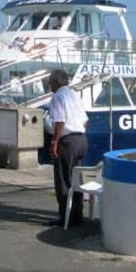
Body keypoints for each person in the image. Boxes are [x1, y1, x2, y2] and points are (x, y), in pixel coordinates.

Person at [47, 69, 88, 227]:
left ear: (56, 82)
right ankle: (77, 214)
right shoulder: (74, 95)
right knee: (75, 179)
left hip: (67, 141)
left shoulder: (58, 96)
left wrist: (54, 142)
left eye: (50, 81)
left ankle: (65, 217)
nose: (49, 84)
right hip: (81, 139)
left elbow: (60, 121)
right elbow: (85, 121)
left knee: (63, 179)